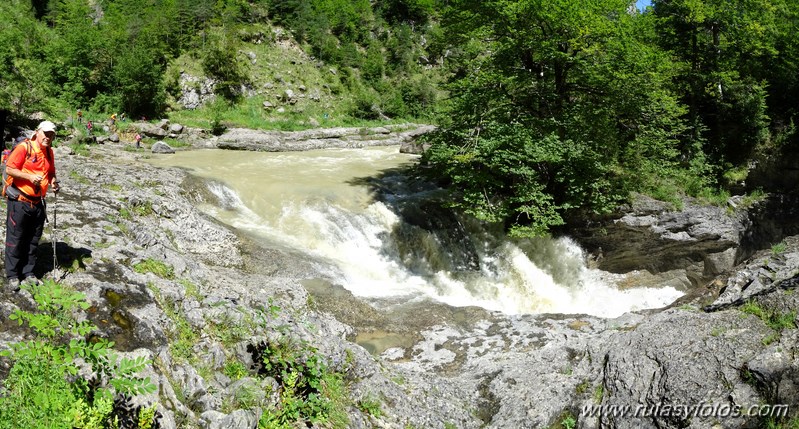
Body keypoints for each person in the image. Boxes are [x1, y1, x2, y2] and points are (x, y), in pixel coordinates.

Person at [4, 120, 60, 290]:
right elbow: (9, 169)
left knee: (33, 239)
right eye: (46, 133)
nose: (48, 137)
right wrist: (29, 177)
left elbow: (50, 173)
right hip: (20, 201)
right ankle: (13, 274)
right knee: (16, 239)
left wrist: (54, 183)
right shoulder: (24, 148)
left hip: (38, 203)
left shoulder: (49, 152)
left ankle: (28, 272)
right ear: (37, 132)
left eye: (52, 135)